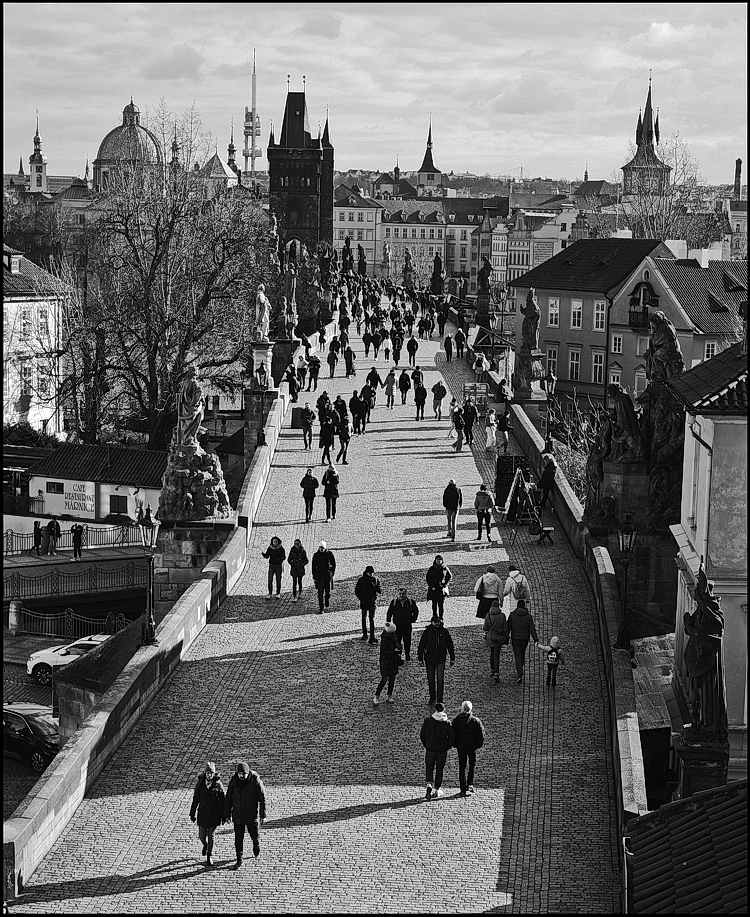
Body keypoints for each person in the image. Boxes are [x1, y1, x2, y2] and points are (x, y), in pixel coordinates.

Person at [224, 761, 266, 869]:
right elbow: (228, 799)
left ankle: (256, 845)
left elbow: (262, 799)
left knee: (254, 836)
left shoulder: (255, 782)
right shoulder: (233, 783)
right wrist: (227, 814)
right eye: (240, 774)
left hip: (251, 815)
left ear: (247, 773)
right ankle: (239, 859)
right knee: (238, 838)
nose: (241, 776)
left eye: (243, 774)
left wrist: (262, 815)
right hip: (238, 816)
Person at [190, 761, 226, 869]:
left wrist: (224, 815)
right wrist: (192, 813)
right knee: (202, 836)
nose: (209, 775)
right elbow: (195, 800)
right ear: (205, 773)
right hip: (203, 814)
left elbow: (223, 801)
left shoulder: (218, 785)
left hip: (214, 815)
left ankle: (209, 855)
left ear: (214, 774)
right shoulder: (200, 785)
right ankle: (205, 845)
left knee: (211, 835)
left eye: (211, 773)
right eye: (208, 773)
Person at [420, 702, 454, 800]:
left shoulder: (428, 721)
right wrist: (447, 746)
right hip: (442, 750)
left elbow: (422, 735)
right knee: (440, 769)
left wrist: (426, 744)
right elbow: (451, 738)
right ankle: (437, 789)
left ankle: (429, 783)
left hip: (430, 749)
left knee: (429, 767)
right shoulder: (447, 723)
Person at [452, 701, 485, 797]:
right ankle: (470, 783)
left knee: (462, 766)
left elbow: (452, 734)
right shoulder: (475, 721)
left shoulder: (456, 720)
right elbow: (481, 734)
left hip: (461, 747)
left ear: (462, 709)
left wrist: (455, 744)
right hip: (472, 747)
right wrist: (478, 745)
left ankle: (462, 788)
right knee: (472, 764)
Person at [508, 599, 539, 683]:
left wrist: (506, 638)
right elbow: (532, 629)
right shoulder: (528, 616)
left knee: (517, 656)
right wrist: (536, 639)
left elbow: (508, 627)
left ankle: (519, 673)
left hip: (515, 639)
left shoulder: (512, 615)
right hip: (524, 639)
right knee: (522, 654)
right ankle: (520, 669)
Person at [386, 587, 420, 661]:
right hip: (397, 626)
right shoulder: (394, 602)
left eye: (403, 594)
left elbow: (416, 611)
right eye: (400, 594)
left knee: (407, 641)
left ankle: (407, 654)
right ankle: (399, 655)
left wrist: (412, 620)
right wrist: (388, 624)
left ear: (406, 594)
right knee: (397, 641)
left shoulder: (410, 602)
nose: (401, 595)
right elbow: (389, 613)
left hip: (407, 626)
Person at [373, 622, 402, 705]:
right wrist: (394, 651)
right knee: (384, 680)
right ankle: (377, 695)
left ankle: (389, 695)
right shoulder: (385, 640)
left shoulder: (394, 637)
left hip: (393, 661)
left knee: (392, 680)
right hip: (386, 662)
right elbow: (383, 652)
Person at [355, 564, 382, 644]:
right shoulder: (361, 580)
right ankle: (365, 634)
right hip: (364, 602)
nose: (371, 574)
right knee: (364, 618)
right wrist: (361, 598)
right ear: (366, 572)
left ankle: (372, 636)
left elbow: (380, 590)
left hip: (372, 602)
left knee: (371, 619)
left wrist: (375, 587)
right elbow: (357, 591)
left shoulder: (376, 580)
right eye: (369, 573)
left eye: (372, 573)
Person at [483, 599, 510, 681]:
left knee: (492, 653)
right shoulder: (502, 616)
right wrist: (506, 637)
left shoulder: (488, 615)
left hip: (490, 637)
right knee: (496, 655)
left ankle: (492, 669)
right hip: (498, 637)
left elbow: (485, 628)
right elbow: (505, 628)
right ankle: (496, 673)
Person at [425, 556, 453, 621]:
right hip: (434, 589)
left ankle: (441, 617)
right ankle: (434, 616)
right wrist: (432, 586)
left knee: (441, 604)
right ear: (435, 560)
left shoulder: (444, 568)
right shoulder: (432, 569)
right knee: (434, 603)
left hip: (441, 589)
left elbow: (449, 576)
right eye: (437, 560)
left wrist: (445, 584)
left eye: (440, 560)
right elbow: (428, 578)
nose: (439, 561)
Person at [312, 540, 336, 613]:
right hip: (319, 576)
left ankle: (327, 599)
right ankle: (321, 608)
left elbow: (333, 564)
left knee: (328, 592)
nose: (321, 549)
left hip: (327, 575)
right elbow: (313, 566)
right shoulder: (316, 555)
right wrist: (314, 576)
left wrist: (332, 573)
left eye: (322, 548)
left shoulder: (329, 554)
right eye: (320, 548)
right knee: (320, 593)